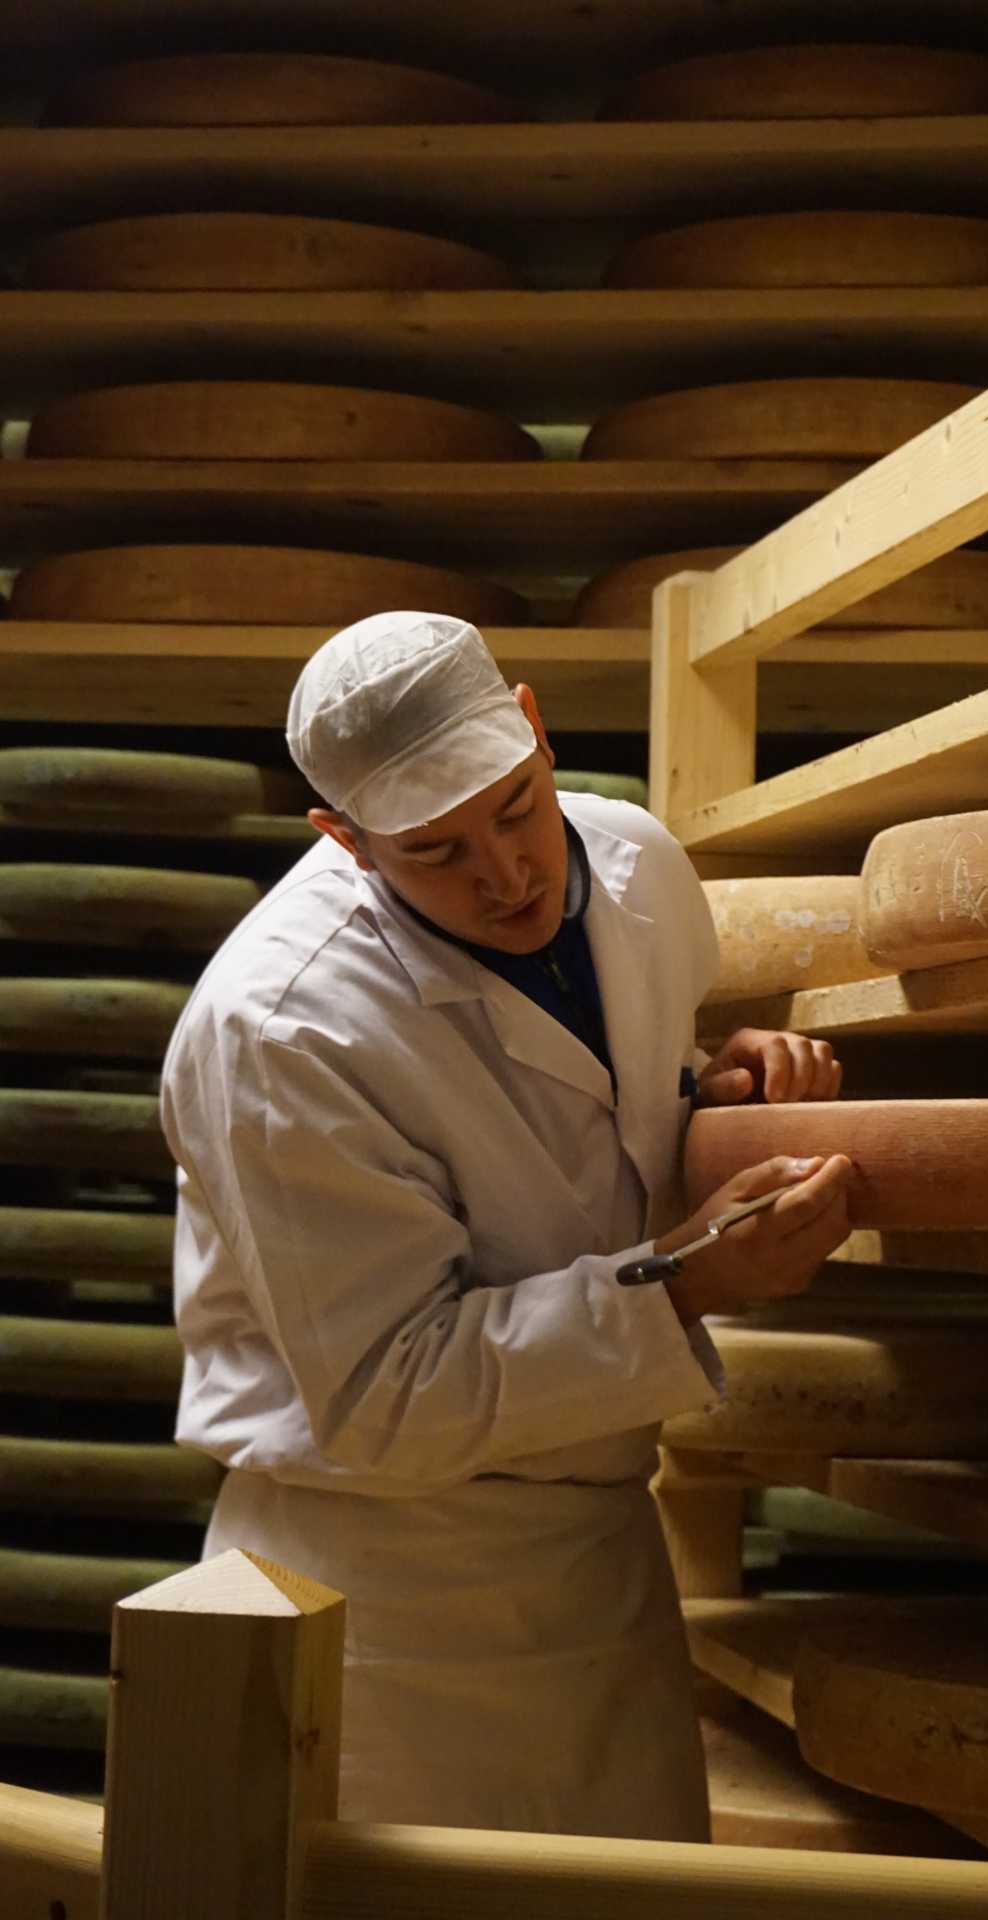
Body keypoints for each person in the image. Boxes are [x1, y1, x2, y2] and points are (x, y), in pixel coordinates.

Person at [161, 610, 852, 1841]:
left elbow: (581, 1133)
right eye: (435, 852)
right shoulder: (282, 1029)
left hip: (598, 1557)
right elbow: (384, 1390)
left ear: (532, 726)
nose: (507, 873)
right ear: (346, 841)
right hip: (378, 1594)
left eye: (517, 806)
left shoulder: (634, 867)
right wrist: (687, 1288)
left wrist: (709, 1092)